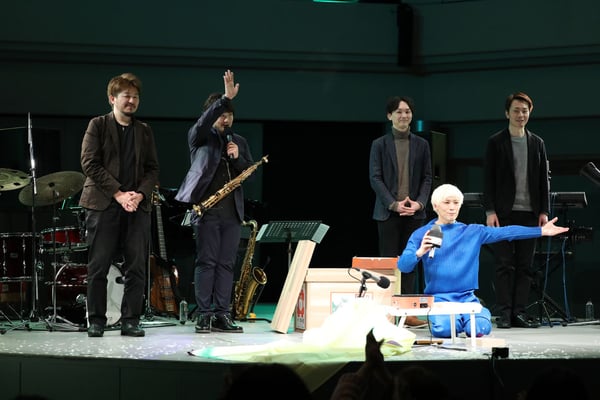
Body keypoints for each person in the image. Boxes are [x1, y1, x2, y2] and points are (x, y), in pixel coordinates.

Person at [397, 184, 568, 338]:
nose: (452, 207)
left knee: (480, 329)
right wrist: (420, 252)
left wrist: (540, 231)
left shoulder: (472, 231)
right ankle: (455, 321)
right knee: (445, 330)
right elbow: (403, 267)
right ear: (435, 206)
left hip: (466, 299)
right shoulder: (422, 234)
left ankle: (470, 316)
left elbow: (507, 232)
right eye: (446, 203)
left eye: (456, 203)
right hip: (439, 299)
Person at [80, 72, 159, 337]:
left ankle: (130, 320)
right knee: (98, 266)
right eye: (126, 96)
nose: (132, 101)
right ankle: (96, 320)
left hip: (136, 205)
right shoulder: (98, 125)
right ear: (112, 98)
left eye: (135, 97)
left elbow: (152, 169)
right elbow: (90, 163)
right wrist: (119, 194)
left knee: (137, 267)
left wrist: (140, 194)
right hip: (105, 204)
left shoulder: (144, 130)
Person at [175, 70, 253, 333]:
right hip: (206, 210)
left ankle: (222, 314)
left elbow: (248, 172)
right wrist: (225, 98)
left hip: (232, 212)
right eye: (221, 114)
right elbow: (204, 122)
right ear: (211, 114)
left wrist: (238, 157)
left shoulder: (239, 141)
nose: (225, 119)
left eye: (229, 114)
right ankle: (204, 314)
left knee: (226, 264)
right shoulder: (199, 136)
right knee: (206, 262)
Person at [483, 91, 550, 329]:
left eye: (525, 111)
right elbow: (488, 179)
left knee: (525, 266)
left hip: (530, 213)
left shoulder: (537, 143)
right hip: (503, 213)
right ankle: (504, 313)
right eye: (516, 110)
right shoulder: (495, 142)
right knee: (504, 264)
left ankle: (519, 312)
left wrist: (544, 211)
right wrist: (490, 211)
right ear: (507, 113)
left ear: (530, 113)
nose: (521, 115)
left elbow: (543, 180)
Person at [369, 96, 432, 327]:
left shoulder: (422, 144)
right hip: (388, 213)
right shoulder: (379, 144)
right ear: (390, 116)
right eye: (398, 111)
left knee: (411, 263)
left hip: (414, 214)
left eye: (407, 111)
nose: (404, 115)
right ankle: (387, 313)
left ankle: (408, 313)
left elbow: (427, 177)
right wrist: (393, 204)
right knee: (388, 264)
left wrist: (419, 203)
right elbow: (375, 178)